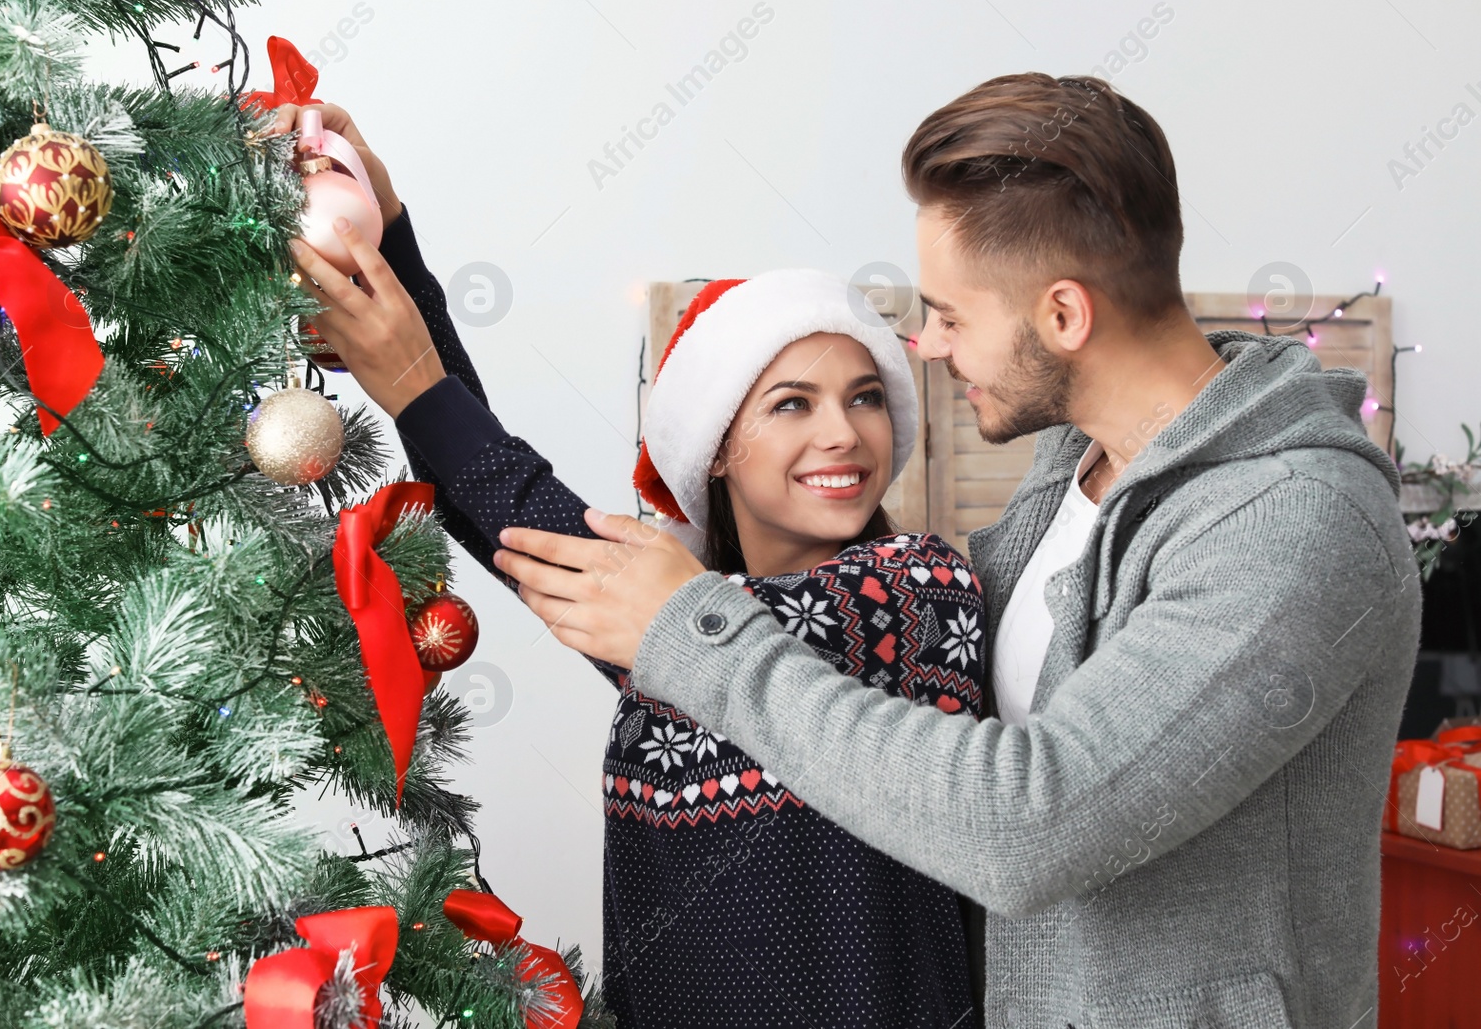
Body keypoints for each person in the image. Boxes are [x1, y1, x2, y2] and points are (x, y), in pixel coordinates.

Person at [489, 74, 1424, 1029]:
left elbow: (1031, 822)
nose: (926, 348)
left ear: (1063, 316)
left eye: (950, 314)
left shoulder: (1296, 522)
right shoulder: (1075, 464)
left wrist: (699, 636)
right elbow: (836, 626)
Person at [276, 104, 987, 1027]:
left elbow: (527, 510)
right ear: (716, 448)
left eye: (863, 398)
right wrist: (393, 236)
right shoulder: (675, 606)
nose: (841, 432)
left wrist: (416, 381)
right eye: (791, 405)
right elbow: (502, 513)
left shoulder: (924, 595)